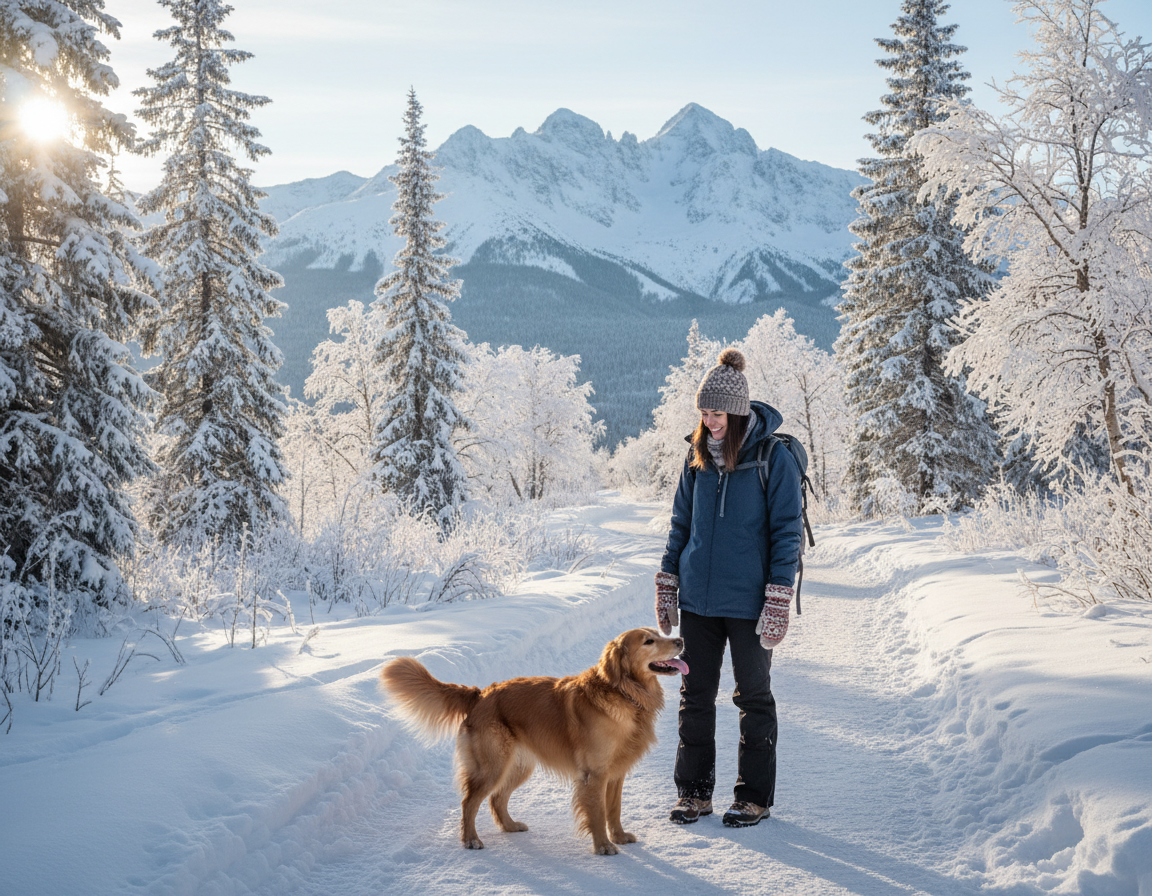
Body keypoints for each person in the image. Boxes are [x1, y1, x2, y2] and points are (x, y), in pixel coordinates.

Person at [655, 346, 803, 828]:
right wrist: (668, 580)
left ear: (737, 413)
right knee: (695, 696)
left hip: (750, 602)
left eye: (717, 414)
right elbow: (681, 524)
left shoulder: (772, 458)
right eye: (703, 413)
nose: (709, 422)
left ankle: (753, 797)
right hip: (699, 600)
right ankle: (694, 793)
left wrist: (778, 597)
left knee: (753, 698)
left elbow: (787, 532)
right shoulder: (695, 457)